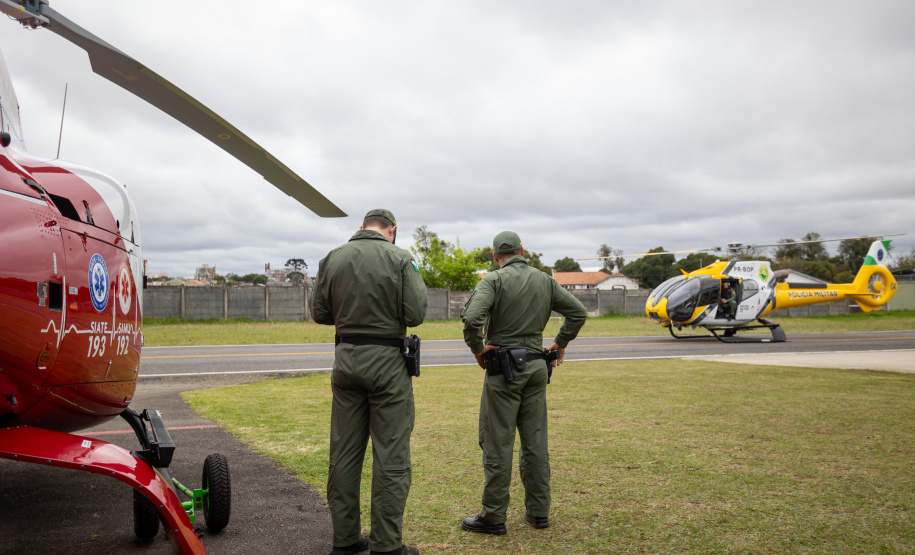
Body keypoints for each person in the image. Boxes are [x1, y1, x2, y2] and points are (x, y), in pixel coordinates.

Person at [310, 209, 428, 555]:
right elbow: (416, 314)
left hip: (345, 359)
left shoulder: (332, 258)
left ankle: (344, 541)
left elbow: (319, 313)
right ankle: (386, 545)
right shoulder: (400, 258)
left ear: (361, 228)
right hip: (387, 362)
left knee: (344, 453)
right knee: (390, 454)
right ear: (392, 230)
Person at [459, 231, 587, 535]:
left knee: (497, 441)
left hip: (504, 370)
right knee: (535, 441)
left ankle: (493, 516)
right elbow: (578, 313)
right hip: (537, 367)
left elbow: (472, 319)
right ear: (522, 251)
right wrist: (560, 342)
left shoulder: (493, 280)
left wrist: (478, 348)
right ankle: (539, 512)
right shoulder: (545, 280)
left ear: (495, 256)